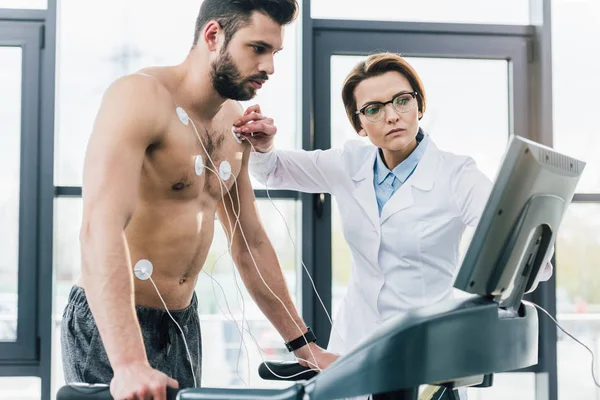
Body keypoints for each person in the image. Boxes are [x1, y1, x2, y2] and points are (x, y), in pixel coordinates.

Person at [60, 1, 338, 399]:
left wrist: (304, 345)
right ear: (213, 36)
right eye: (257, 48)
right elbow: (99, 226)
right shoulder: (138, 96)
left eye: (274, 53)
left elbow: (250, 241)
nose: (270, 67)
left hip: (182, 323)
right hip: (113, 322)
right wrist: (128, 363)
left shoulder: (232, 121)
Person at [237, 52, 554, 399]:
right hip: (353, 349)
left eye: (402, 101)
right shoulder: (349, 163)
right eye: (373, 109)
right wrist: (264, 145)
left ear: (419, 105)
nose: (392, 116)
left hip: (426, 352)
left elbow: (514, 251)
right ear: (360, 124)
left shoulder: (457, 175)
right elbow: (273, 169)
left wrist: (526, 263)